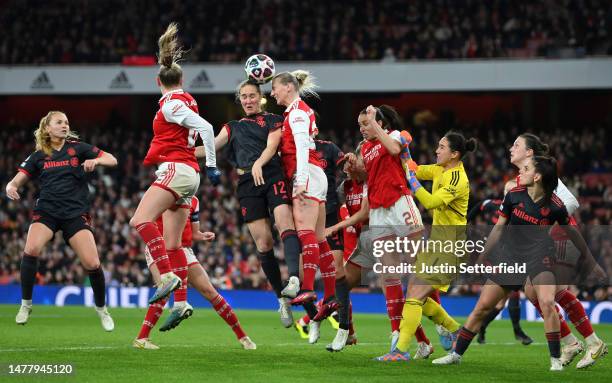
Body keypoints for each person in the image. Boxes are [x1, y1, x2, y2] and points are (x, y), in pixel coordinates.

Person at [432, 156, 606, 371]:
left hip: (540, 260)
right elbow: (498, 228)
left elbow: (575, 235)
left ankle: (555, 361)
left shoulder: (556, 206)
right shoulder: (514, 196)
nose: (519, 173)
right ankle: (456, 354)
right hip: (510, 260)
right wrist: (483, 255)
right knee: (482, 308)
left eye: (525, 169)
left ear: (537, 176)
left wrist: (590, 262)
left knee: (547, 302)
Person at [194, 80, 303, 328]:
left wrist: (259, 163)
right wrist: (177, 151)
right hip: (247, 182)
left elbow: (273, 145)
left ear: (260, 97)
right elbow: (210, 147)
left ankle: (295, 279)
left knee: (285, 224)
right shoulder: (232, 127)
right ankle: (282, 299)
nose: (248, 100)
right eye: (244, 96)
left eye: (252, 95)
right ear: (240, 100)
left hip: (271, 173)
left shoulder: (274, 120)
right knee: (264, 243)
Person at [128, 23, 220, 311]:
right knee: (173, 242)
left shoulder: (170, 105)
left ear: (159, 82)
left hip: (177, 169)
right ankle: (181, 305)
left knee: (140, 220)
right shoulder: (189, 100)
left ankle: (166, 275)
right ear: (182, 79)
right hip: (188, 174)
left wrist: (213, 166)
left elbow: (207, 127)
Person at [7, 111, 117, 330]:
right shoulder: (39, 155)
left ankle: (102, 310)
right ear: (48, 128)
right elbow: (16, 180)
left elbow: (112, 159)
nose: (65, 125)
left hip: (75, 213)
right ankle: (26, 305)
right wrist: (11, 186)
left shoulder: (78, 147)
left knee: (93, 264)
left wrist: (95, 161)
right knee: (31, 250)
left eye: (66, 122)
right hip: (47, 211)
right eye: (59, 122)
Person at [505, 133, 607, 368]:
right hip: (543, 243)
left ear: (529, 152)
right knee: (533, 293)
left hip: (560, 238)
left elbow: (570, 202)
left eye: (516, 145)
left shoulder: (543, 171)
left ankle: (591, 342)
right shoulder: (523, 177)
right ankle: (573, 342)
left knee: (547, 295)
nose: (511, 148)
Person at [377, 131, 475, 361]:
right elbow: (415, 167)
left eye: (441, 147)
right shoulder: (441, 169)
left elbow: (430, 201)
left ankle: (400, 351)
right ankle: (454, 329)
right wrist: (405, 149)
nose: (437, 150)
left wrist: (413, 182)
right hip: (439, 244)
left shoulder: (457, 179)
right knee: (417, 296)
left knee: (413, 296)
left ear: (454, 154)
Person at [342, 105, 425, 354]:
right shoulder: (365, 148)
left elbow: (394, 149)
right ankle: (396, 335)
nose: (362, 129)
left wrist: (375, 125)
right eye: (360, 125)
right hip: (378, 211)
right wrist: (354, 166)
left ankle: (444, 326)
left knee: (418, 268)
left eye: (365, 123)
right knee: (389, 275)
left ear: (379, 122)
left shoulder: (399, 134)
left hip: (400, 202)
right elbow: (369, 176)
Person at [133, 196, 255, 350]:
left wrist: (203, 235)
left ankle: (243, 337)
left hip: (183, 250)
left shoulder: (194, 201)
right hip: (160, 248)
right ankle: (142, 338)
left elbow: (194, 232)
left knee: (209, 291)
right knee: (164, 290)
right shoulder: (162, 193)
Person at [270, 70, 337, 309]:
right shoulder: (299, 111)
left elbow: (300, 146)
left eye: (275, 87)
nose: (272, 92)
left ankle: (308, 288)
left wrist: (300, 180)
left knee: (305, 232)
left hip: (305, 171)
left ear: (288, 87)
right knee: (319, 239)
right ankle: (330, 296)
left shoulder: (297, 112)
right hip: (315, 173)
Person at [466, 199, 533, 346]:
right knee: (509, 293)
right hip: (494, 253)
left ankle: (482, 327)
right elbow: (479, 206)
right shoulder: (495, 205)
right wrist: (466, 223)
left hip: (506, 254)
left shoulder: (519, 211)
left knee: (500, 303)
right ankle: (517, 331)